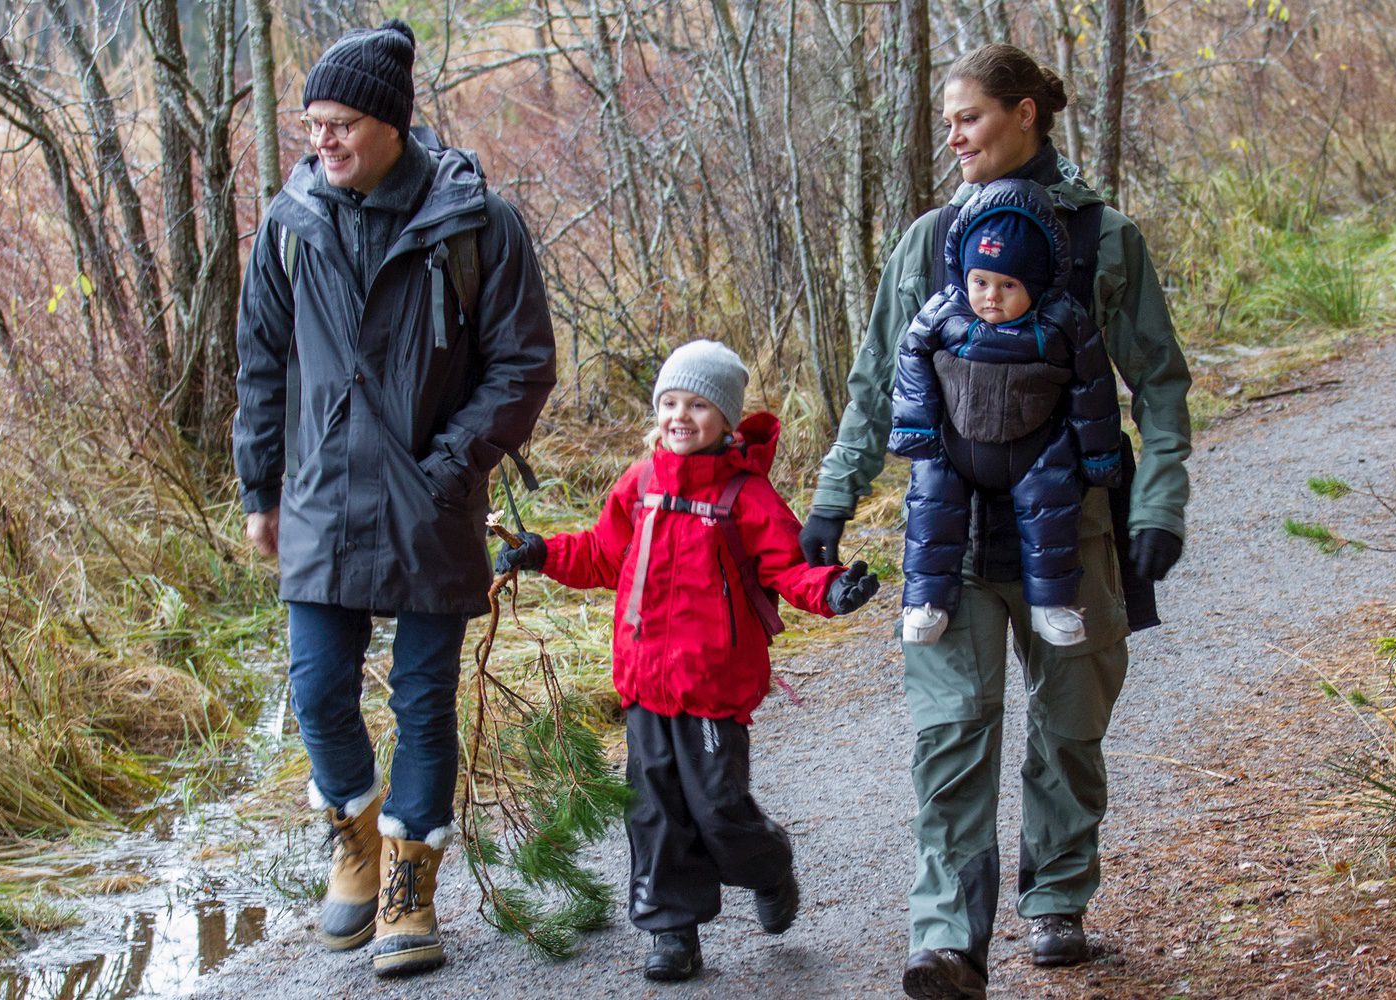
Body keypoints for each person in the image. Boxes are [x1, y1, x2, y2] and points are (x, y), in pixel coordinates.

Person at [800, 44, 1192, 1000]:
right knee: (950, 731)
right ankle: (949, 941)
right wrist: (831, 500)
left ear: (1025, 113)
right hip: (951, 544)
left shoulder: (1104, 239)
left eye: (969, 117)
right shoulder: (929, 242)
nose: (954, 135)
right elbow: (871, 391)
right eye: (947, 121)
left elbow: (1163, 386)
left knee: (1068, 727)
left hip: (1080, 538)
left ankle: (1055, 902)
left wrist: (1160, 507)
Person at [231, 19, 557, 978]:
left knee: (423, 702)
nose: (321, 141)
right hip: (323, 496)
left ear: (389, 125)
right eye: (313, 124)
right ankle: (355, 838)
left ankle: (411, 886)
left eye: (339, 124)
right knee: (318, 691)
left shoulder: (477, 224)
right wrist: (261, 487)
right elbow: (261, 364)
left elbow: (523, 366)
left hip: (431, 499)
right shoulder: (291, 225)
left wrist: (451, 467)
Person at [493, 340, 881, 982]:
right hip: (645, 680)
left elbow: (788, 568)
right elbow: (599, 554)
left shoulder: (745, 497)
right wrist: (541, 553)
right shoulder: (639, 485)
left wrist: (834, 589)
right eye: (670, 402)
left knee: (719, 807)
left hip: (714, 683)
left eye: (698, 404)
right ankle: (672, 933)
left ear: (726, 418)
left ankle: (768, 864)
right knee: (653, 809)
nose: (680, 415)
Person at [890, 178, 1124, 649]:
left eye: (1007, 285)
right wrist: (916, 425)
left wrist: (1099, 456)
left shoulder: (1062, 319)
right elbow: (909, 355)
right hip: (956, 444)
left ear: (1034, 285)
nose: (990, 296)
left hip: (1036, 444)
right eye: (980, 281)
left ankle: (1053, 601)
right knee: (931, 504)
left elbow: (1093, 388)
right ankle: (925, 600)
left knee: (1052, 508)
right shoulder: (945, 312)